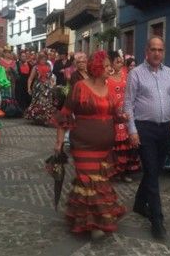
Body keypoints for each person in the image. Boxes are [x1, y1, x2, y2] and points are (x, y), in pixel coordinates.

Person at [53, 50, 125, 240]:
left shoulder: (110, 88)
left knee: (99, 183)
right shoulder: (79, 87)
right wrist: (59, 142)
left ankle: (90, 220)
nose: (110, 69)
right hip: (83, 145)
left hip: (104, 148)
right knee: (88, 182)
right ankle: (94, 225)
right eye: (107, 66)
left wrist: (122, 117)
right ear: (97, 67)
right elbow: (65, 113)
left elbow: (115, 114)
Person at [124, 36, 170, 239]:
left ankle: (138, 203)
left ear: (164, 52)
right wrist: (132, 130)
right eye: (153, 49)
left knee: (156, 169)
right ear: (147, 51)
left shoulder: (169, 73)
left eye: (160, 50)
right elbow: (128, 104)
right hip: (145, 130)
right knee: (152, 173)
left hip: (165, 130)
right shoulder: (136, 74)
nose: (157, 53)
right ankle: (157, 219)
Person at [107, 50, 140, 182]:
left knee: (128, 143)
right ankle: (114, 170)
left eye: (121, 61)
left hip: (127, 112)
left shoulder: (127, 75)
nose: (121, 64)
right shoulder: (107, 78)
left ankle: (125, 171)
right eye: (117, 62)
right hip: (114, 114)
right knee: (116, 144)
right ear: (111, 63)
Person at [24, 53, 56, 125]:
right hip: (38, 87)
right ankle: (37, 118)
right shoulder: (35, 67)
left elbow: (51, 77)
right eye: (42, 59)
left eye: (44, 59)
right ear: (39, 59)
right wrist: (29, 88)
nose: (43, 60)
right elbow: (30, 79)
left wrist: (52, 84)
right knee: (38, 102)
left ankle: (45, 119)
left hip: (47, 87)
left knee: (46, 102)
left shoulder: (49, 67)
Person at [0, 46, 21, 117]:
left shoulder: (13, 62)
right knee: (3, 95)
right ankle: (3, 110)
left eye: (9, 53)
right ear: (4, 53)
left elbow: (17, 73)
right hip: (3, 81)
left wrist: (12, 71)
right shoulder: (0, 61)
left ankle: (11, 110)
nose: (8, 54)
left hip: (12, 81)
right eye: (6, 53)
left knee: (12, 95)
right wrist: (5, 70)